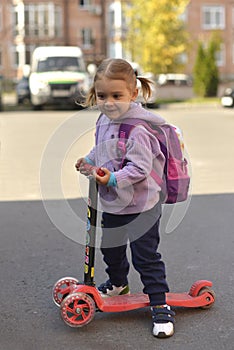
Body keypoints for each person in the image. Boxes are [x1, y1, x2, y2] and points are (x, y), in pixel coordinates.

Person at [75, 58, 175, 338]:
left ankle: (160, 303)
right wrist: (90, 160)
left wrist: (113, 178)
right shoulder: (104, 120)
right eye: (102, 96)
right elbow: (102, 149)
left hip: (143, 205)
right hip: (114, 203)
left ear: (133, 94)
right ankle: (118, 283)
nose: (109, 103)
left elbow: (140, 169)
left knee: (145, 257)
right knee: (111, 249)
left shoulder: (138, 129)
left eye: (116, 96)